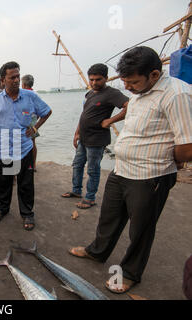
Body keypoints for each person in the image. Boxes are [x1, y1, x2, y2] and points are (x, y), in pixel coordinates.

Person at [68, 46, 192, 294]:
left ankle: (131, 273)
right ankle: (97, 251)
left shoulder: (177, 95)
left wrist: (171, 162)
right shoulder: (138, 92)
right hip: (121, 169)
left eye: (132, 82)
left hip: (150, 176)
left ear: (154, 74)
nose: (127, 87)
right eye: (124, 81)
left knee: (141, 228)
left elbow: (187, 146)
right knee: (109, 216)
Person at [0, 61, 52, 231]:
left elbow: (46, 112)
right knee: (2, 182)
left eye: (18, 76)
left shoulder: (30, 97)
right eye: (12, 77)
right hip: (3, 149)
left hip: (24, 148)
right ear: (3, 80)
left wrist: (35, 128)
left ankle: (27, 213)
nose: (16, 80)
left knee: (26, 184)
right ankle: (2, 208)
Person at [61, 64, 129, 209]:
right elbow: (83, 114)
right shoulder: (90, 93)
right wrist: (76, 133)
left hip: (97, 139)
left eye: (98, 80)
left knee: (93, 169)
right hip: (83, 138)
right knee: (77, 165)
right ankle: (76, 190)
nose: (94, 83)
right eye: (91, 79)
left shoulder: (112, 93)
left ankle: (90, 198)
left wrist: (110, 120)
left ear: (106, 78)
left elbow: (129, 106)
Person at [21, 74, 41, 172]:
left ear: (23, 84)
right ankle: (33, 165)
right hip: (34, 119)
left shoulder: (23, 93)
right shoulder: (36, 94)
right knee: (33, 143)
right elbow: (40, 110)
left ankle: (25, 165)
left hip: (25, 120)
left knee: (22, 142)